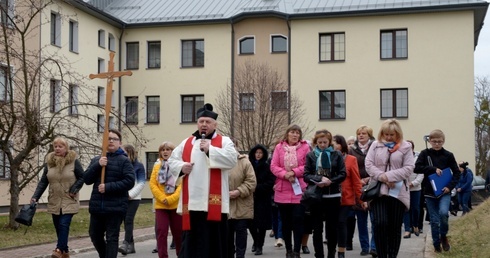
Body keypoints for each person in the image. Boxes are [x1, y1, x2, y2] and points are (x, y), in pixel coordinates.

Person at [168, 103, 237, 258]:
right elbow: (171, 162)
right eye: (201, 121)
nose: (204, 125)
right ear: (197, 123)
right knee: (193, 244)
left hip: (215, 204)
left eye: (208, 122)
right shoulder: (187, 142)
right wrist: (181, 167)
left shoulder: (225, 141)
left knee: (215, 242)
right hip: (192, 202)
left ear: (215, 124)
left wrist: (209, 150)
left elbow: (232, 160)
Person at [365, 119, 414, 258]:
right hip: (378, 191)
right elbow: (368, 164)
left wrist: (390, 176)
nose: (388, 137)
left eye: (391, 135)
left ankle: (392, 255)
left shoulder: (406, 147)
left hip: (398, 193)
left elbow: (409, 168)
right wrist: (383, 177)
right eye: (385, 134)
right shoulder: (375, 145)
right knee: (380, 223)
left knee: (394, 227)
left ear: (397, 134)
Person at [83, 129, 135, 258]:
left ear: (119, 143)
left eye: (114, 139)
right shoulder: (97, 159)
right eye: (108, 138)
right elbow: (87, 179)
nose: (111, 141)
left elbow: (129, 181)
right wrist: (97, 165)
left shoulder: (124, 161)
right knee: (95, 235)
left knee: (112, 238)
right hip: (97, 207)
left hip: (115, 207)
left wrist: (108, 187)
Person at [31, 137, 84, 258]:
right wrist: (35, 197)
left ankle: (59, 249)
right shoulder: (49, 163)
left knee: (64, 224)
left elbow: (82, 177)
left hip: (69, 199)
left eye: (60, 146)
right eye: (55, 146)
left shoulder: (74, 162)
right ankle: (65, 252)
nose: (57, 148)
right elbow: (43, 182)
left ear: (66, 148)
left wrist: (74, 189)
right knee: (58, 227)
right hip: (54, 200)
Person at [415, 129, 460, 253]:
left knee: (444, 213)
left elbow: (456, 172)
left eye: (439, 142)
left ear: (443, 141)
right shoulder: (425, 154)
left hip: (444, 191)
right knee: (434, 220)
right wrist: (433, 169)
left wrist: (449, 187)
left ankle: (443, 236)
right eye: (434, 142)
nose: (437, 144)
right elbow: (417, 168)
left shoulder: (448, 155)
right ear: (430, 141)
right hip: (429, 192)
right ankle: (436, 245)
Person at [303, 130, 346, 258]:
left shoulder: (336, 154)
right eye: (320, 142)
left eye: (325, 142)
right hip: (316, 196)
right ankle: (319, 254)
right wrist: (318, 180)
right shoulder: (311, 155)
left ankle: (331, 254)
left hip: (332, 196)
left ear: (329, 142)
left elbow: (343, 174)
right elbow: (306, 175)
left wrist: (331, 181)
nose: (322, 145)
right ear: (316, 142)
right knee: (317, 229)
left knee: (332, 228)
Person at [270, 124, 310, 258]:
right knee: (286, 222)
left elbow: (308, 165)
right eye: (292, 132)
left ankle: (297, 250)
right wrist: (284, 174)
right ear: (287, 134)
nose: (295, 135)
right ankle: (288, 250)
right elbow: (274, 166)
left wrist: (294, 172)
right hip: (283, 189)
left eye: (297, 133)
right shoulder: (279, 147)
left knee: (298, 220)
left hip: (299, 190)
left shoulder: (305, 147)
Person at [150, 141, 183, 258]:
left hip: (175, 205)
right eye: (163, 150)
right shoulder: (157, 166)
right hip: (161, 205)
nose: (165, 152)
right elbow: (153, 184)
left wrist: (171, 199)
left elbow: (181, 185)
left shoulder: (179, 166)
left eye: (168, 149)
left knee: (178, 233)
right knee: (161, 232)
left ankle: (181, 254)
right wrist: (163, 198)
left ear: (173, 152)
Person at [347, 125, 376, 256]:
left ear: (369, 135)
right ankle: (365, 247)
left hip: (373, 185)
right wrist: (358, 180)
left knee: (375, 219)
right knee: (361, 219)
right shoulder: (351, 150)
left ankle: (374, 246)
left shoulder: (376, 147)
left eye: (364, 133)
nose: (361, 135)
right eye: (359, 133)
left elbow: (378, 165)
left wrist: (369, 178)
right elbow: (349, 167)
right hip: (358, 186)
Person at [332, 134, 362, 258]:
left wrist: (360, 198)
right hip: (331, 196)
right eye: (333, 143)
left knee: (341, 222)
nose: (335, 145)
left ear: (342, 145)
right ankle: (332, 249)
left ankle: (341, 251)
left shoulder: (351, 159)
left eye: (337, 143)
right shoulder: (328, 157)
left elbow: (356, 180)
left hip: (345, 197)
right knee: (332, 224)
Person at [228, 144, 257, 258]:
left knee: (241, 233)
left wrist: (239, 191)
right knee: (227, 236)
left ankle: (241, 256)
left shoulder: (244, 162)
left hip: (242, 204)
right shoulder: (219, 162)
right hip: (225, 206)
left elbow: (251, 182)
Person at [118, 144, 146, 255]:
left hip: (134, 198)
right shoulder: (121, 165)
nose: (123, 155)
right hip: (121, 197)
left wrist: (130, 194)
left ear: (130, 153)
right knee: (125, 220)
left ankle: (125, 243)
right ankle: (131, 245)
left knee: (129, 219)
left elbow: (141, 183)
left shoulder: (138, 166)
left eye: (125, 153)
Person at [248, 144, 275, 255]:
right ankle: (255, 240)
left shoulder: (267, 166)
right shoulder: (248, 165)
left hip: (263, 198)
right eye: (256, 153)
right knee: (251, 223)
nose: (258, 155)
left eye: (260, 153)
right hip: (249, 197)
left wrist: (258, 187)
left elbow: (270, 182)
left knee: (262, 224)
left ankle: (260, 245)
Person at [402, 140, 424, 239]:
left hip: (416, 188)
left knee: (415, 208)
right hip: (404, 188)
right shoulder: (401, 158)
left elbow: (421, 173)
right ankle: (407, 229)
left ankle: (415, 225)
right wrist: (405, 183)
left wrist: (413, 183)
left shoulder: (418, 158)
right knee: (406, 208)